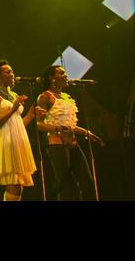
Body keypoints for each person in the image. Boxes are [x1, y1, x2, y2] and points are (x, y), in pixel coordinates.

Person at [36, 65, 103, 201]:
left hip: (72, 141)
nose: (66, 76)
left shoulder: (66, 97)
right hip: (56, 143)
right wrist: (56, 129)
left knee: (86, 181)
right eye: (61, 73)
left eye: (65, 73)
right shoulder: (45, 97)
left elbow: (71, 125)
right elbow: (38, 124)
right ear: (51, 78)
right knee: (65, 183)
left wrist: (87, 133)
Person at [0, 60, 39, 201]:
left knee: (18, 184)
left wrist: (30, 115)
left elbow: (17, 124)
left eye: (12, 71)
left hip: (16, 140)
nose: (12, 74)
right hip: (3, 140)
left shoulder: (13, 95)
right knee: (14, 183)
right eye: (8, 72)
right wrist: (13, 108)